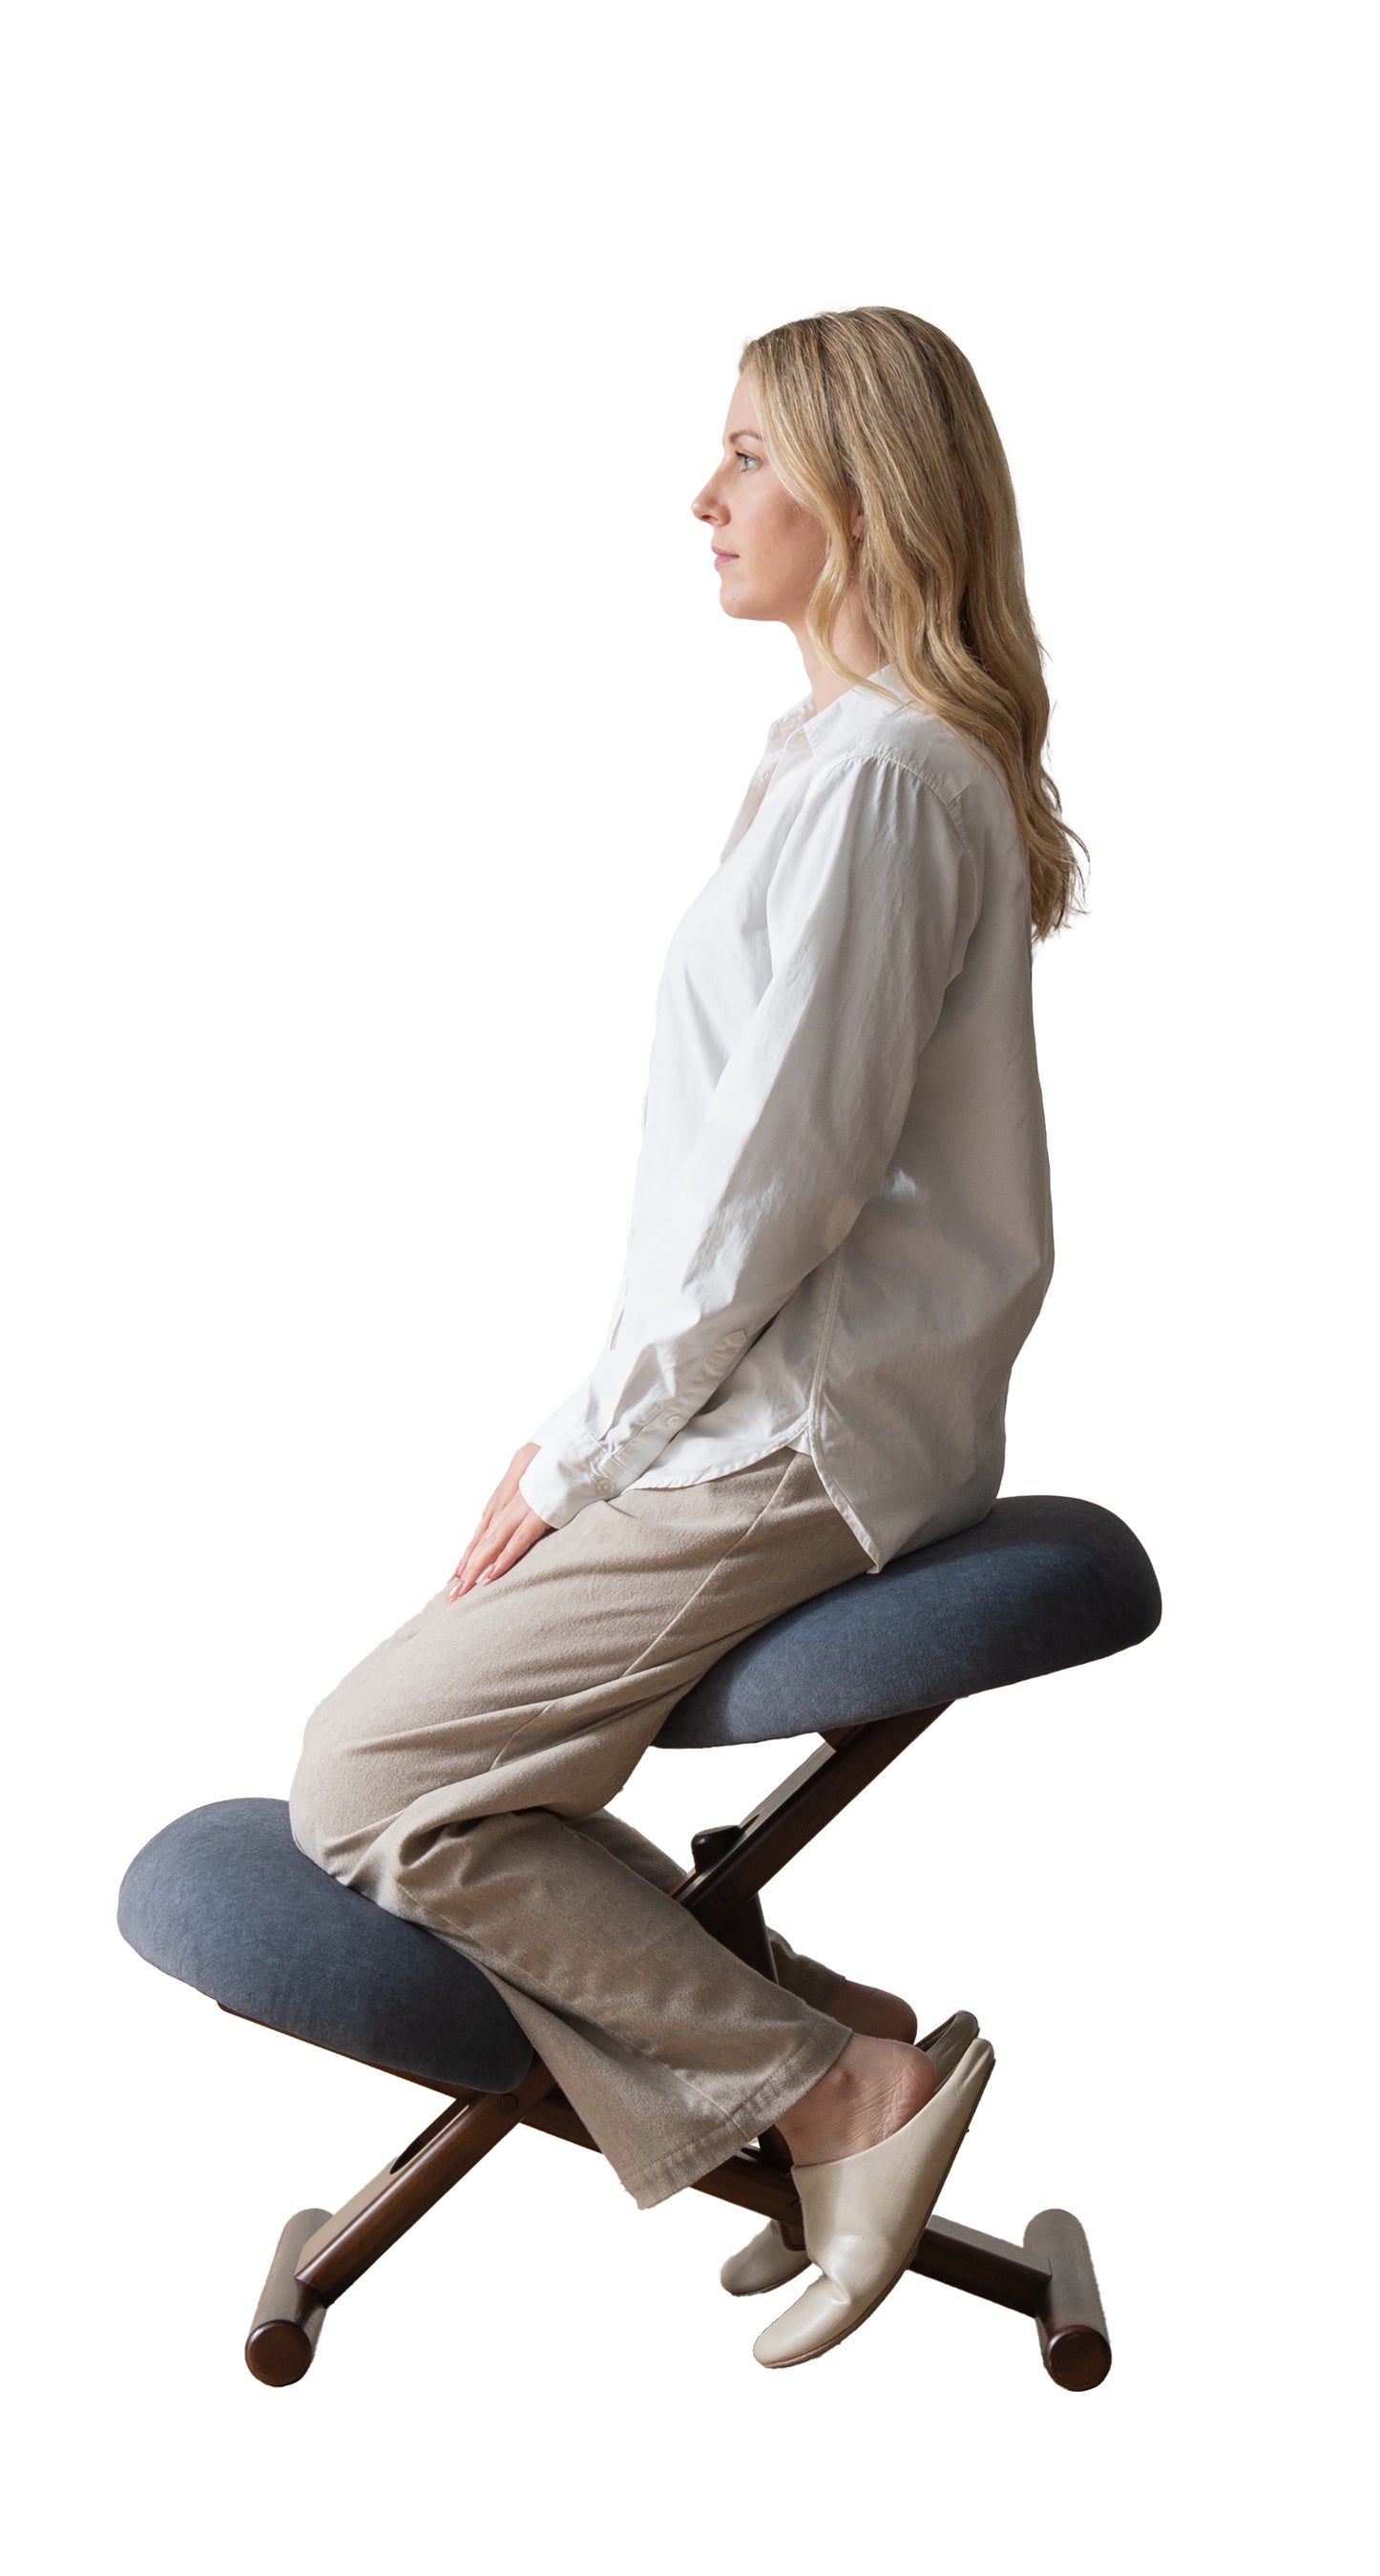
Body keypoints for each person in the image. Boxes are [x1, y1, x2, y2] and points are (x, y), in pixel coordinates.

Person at [287, 305, 1086, 2367]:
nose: (703, 496)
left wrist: (574, 1455)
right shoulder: (840, 761)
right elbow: (750, 1186)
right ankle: (834, 2048)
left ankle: (837, 2098)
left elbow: (769, 1195)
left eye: (747, 454)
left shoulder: (885, 783)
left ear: (863, 493)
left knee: (373, 1777)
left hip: (799, 1429)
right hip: (782, 1408)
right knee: (435, 1770)